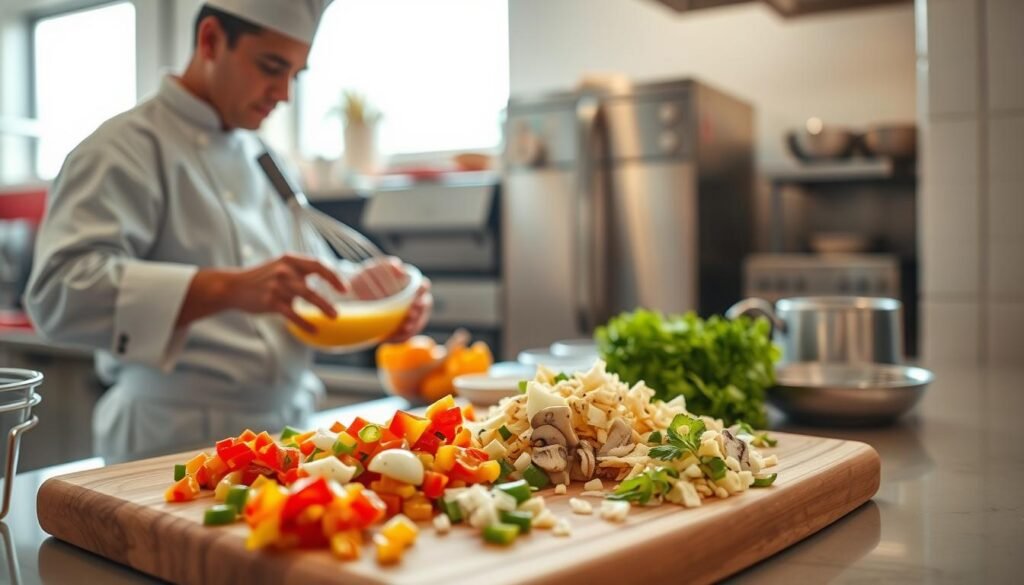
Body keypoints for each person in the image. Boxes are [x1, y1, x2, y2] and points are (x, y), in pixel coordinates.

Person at [25, 0, 432, 462]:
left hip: (290, 431)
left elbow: (302, 288)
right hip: (171, 438)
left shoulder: (267, 159)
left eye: (295, 75)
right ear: (211, 40)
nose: (283, 94)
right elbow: (58, 293)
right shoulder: (123, 148)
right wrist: (229, 288)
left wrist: (372, 297)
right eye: (271, 67)